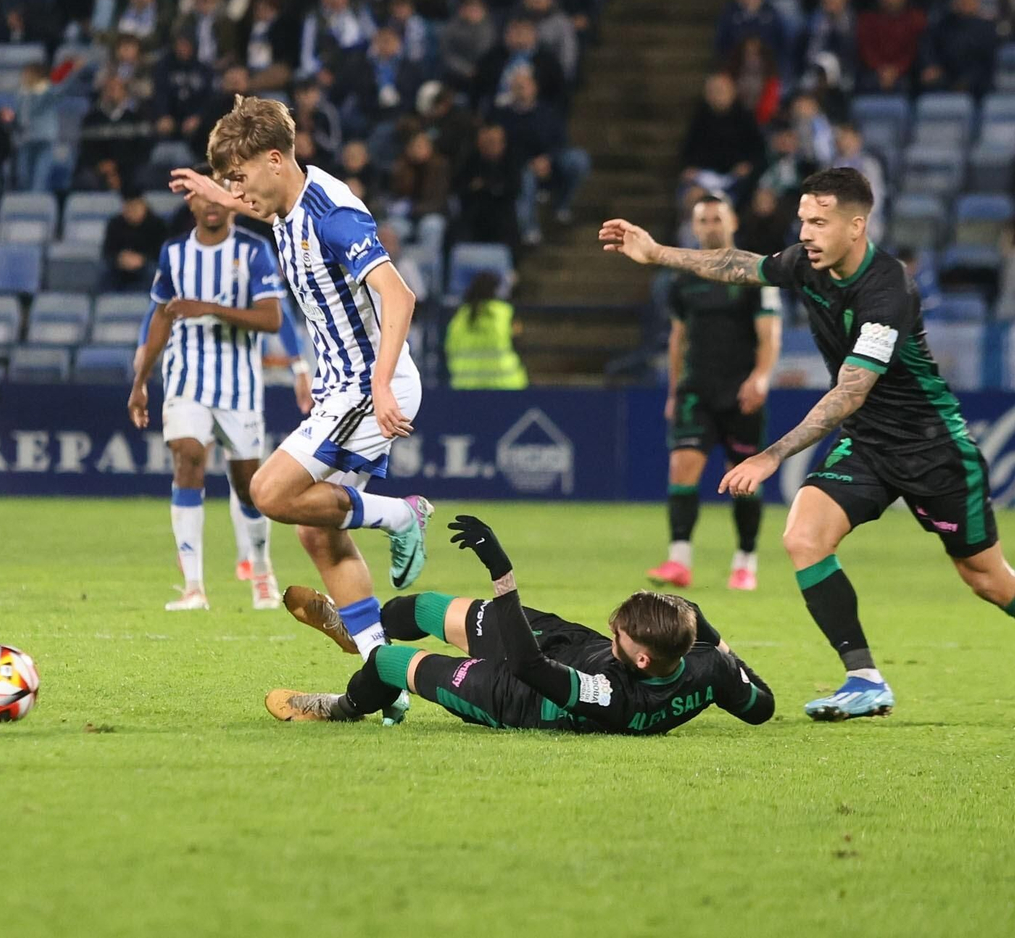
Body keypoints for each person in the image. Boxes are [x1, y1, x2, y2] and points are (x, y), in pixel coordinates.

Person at [599, 167, 1015, 724]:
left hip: (932, 448)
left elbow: (851, 390)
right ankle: (864, 679)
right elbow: (741, 264)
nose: (806, 232)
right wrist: (657, 253)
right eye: (802, 220)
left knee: (985, 578)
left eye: (819, 222)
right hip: (869, 445)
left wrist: (772, 454)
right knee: (803, 537)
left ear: (856, 225)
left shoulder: (887, 289)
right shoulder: (806, 262)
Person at [170, 95, 431, 724]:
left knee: (268, 491)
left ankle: (401, 515)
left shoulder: (333, 215)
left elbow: (399, 297)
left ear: (276, 159)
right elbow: (259, 202)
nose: (234, 193)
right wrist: (223, 190)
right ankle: (385, 679)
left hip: (370, 386)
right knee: (318, 531)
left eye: (240, 177)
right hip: (345, 384)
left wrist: (381, 381)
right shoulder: (283, 199)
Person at [265, 515, 776, 733]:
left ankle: (342, 707)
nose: (615, 623)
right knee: (423, 608)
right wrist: (699, 624)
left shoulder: (614, 697)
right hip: (565, 643)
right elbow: (762, 707)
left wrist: (502, 574)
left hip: (522, 694)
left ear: (642, 658)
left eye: (623, 628)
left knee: (390, 661)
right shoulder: (710, 668)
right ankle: (360, 632)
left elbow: (529, 666)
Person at [129, 163, 301, 612]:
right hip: (186, 379)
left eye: (219, 196)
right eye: (203, 197)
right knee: (187, 456)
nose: (210, 205)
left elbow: (272, 319)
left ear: (232, 201)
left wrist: (210, 307)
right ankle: (193, 587)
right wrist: (141, 381)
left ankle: (261, 571)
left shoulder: (255, 250)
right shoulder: (173, 255)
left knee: (250, 488)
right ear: (192, 201)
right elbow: (161, 321)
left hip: (240, 387)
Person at [649, 195, 780, 593]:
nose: (709, 226)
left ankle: (745, 562)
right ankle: (679, 560)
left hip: (740, 391)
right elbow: (678, 338)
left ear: (733, 220)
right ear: (694, 226)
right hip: (696, 389)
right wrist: (674, 391)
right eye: (702, 220)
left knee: (742, 478)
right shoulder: (682, 277)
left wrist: (761, 377)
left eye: (716, 218)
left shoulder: (753, 271)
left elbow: (769, 332)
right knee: (682, 467)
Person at [444, 272, 528, 390]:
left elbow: (449, 348)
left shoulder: (459, 317)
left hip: (466, 386)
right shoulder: (505, 312)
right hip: (505, 385)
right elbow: (519, 342)